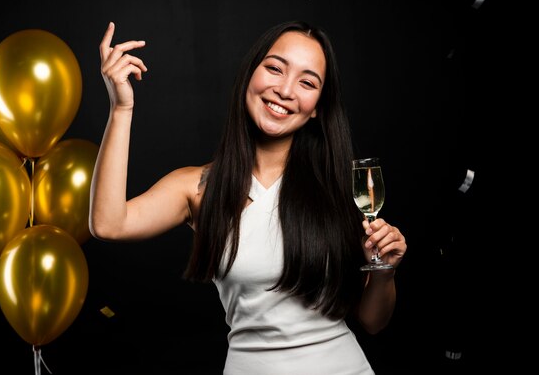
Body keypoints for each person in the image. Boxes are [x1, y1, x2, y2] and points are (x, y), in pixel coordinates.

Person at [89, 20, 407, 374]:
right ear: (250, 73)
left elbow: (374, 322)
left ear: (317, 105)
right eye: (274, 68)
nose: (285, 90)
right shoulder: (199, 187)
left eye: (307, 82)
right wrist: (121, 109)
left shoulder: (339, 185)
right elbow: (108, 224)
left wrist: (385, 272)